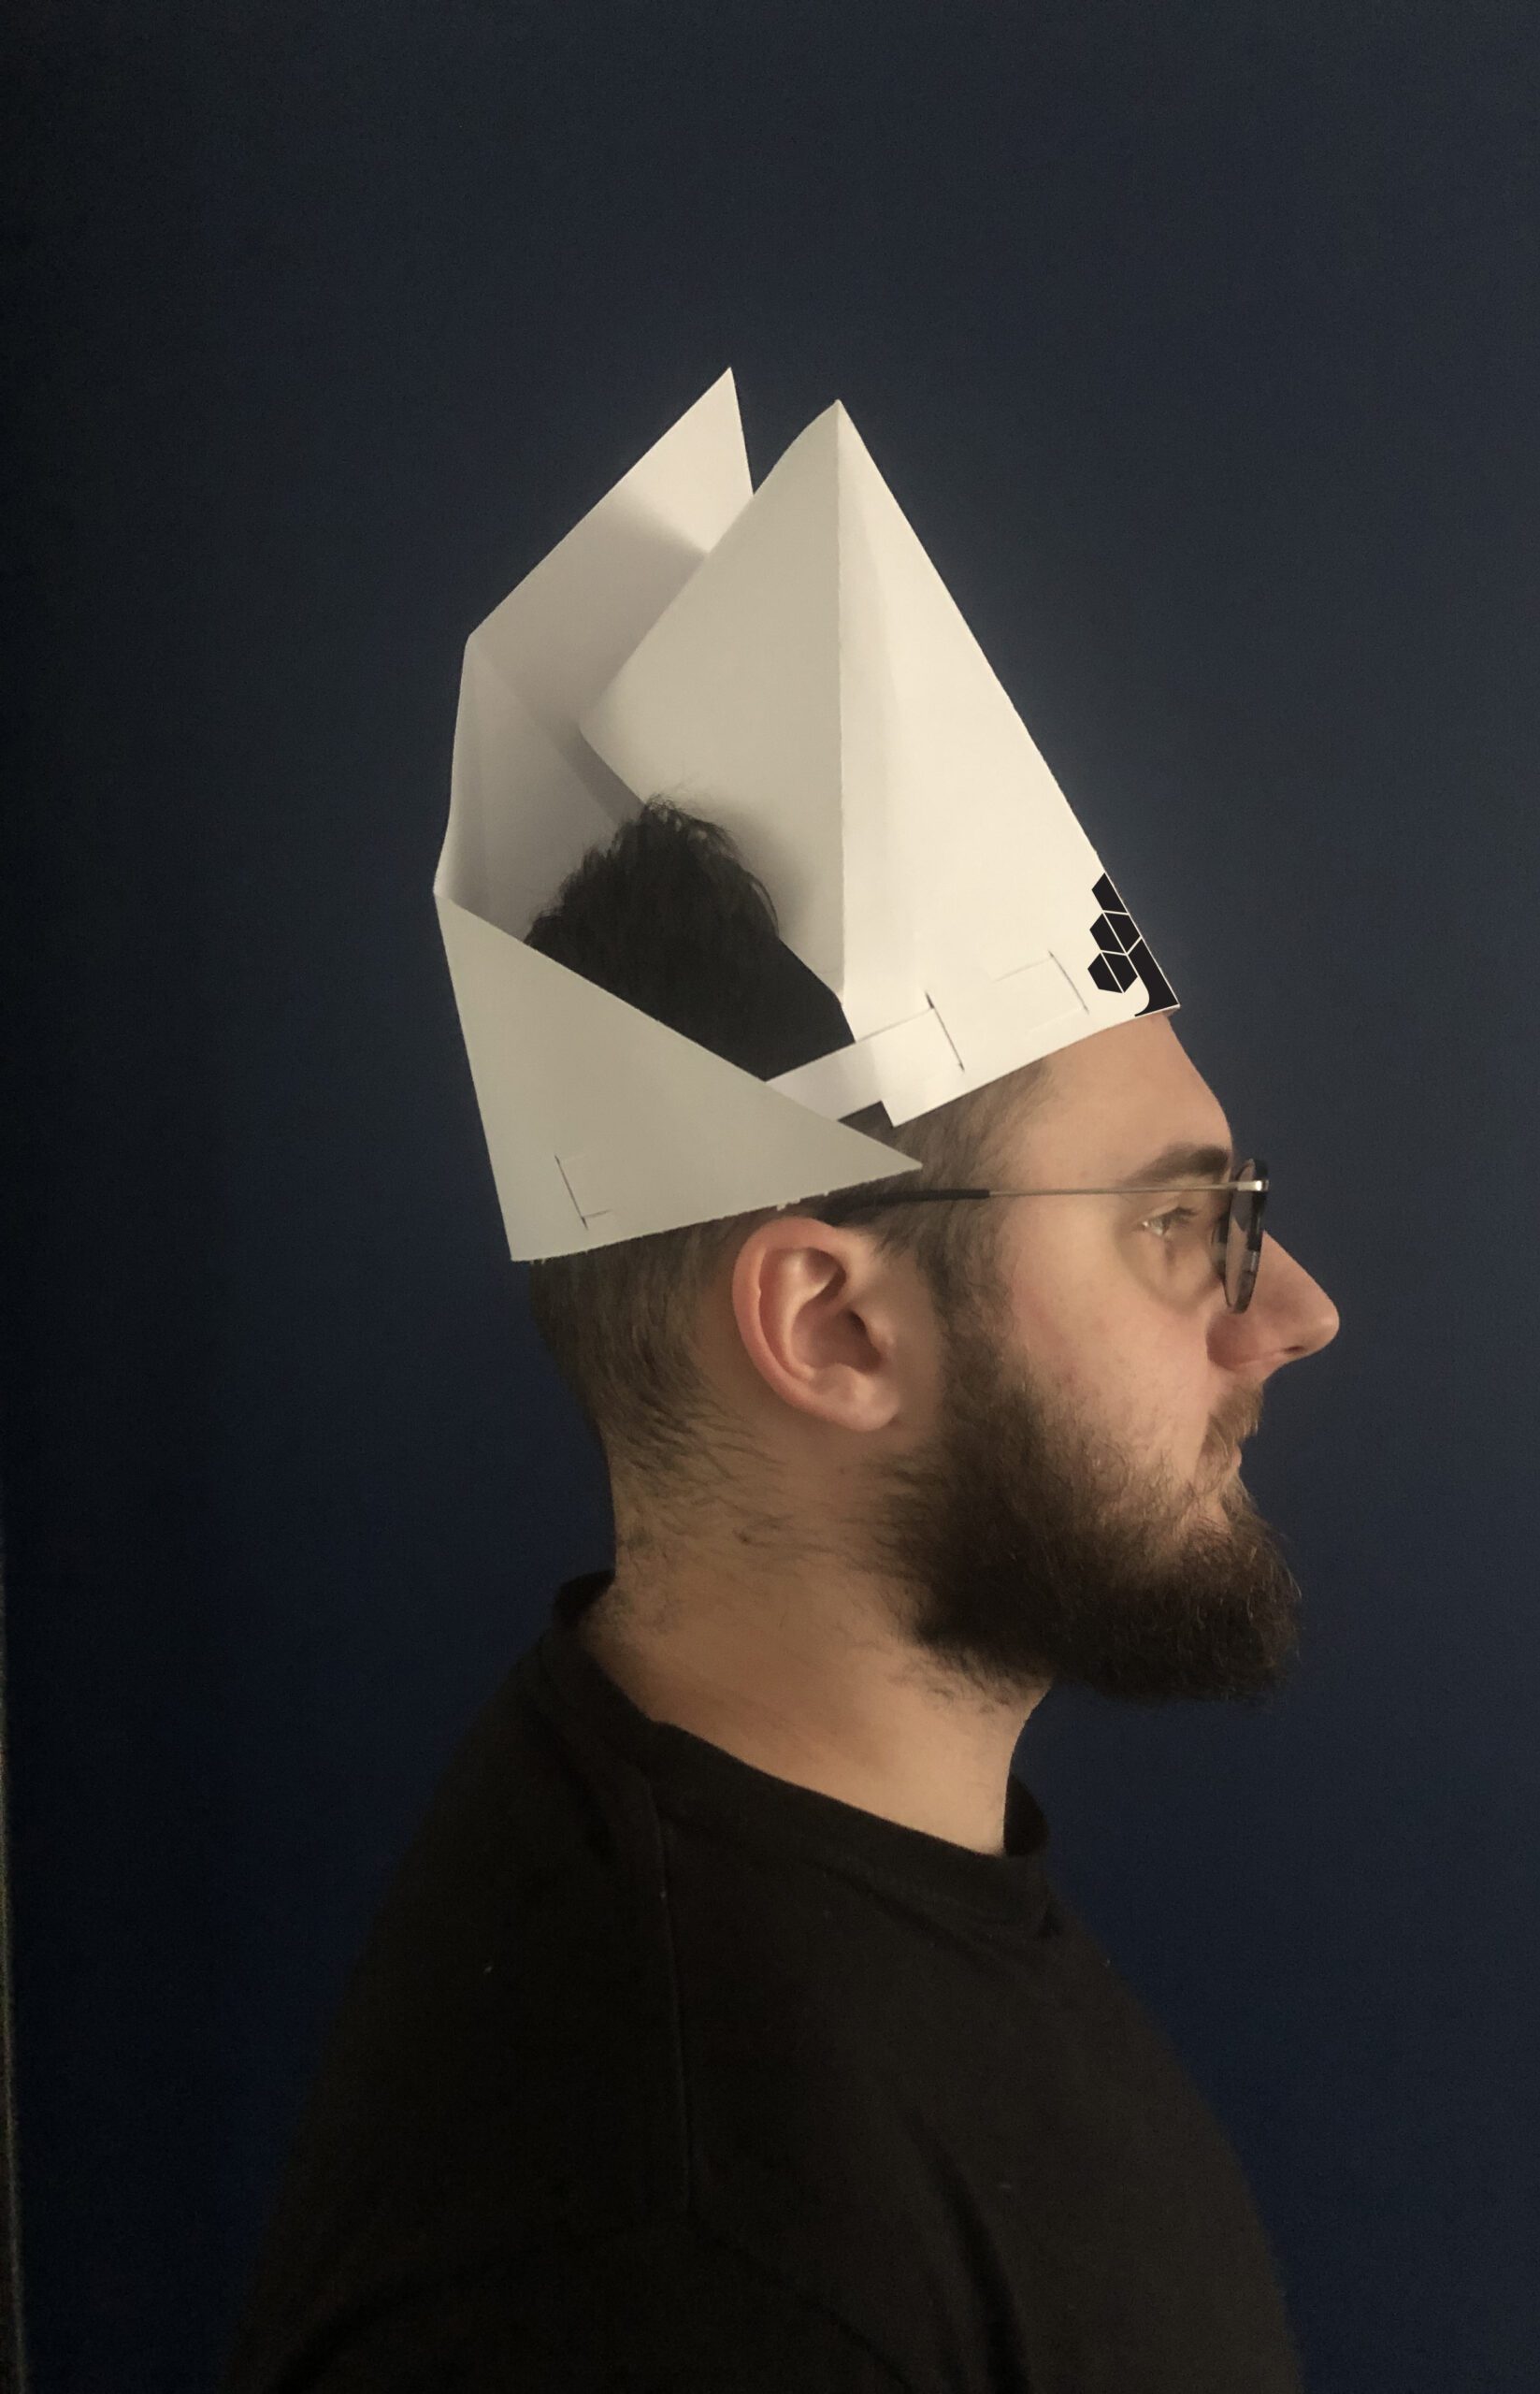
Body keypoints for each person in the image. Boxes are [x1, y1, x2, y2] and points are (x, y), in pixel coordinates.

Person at [223, 382, 1340, 2390]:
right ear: (831, 1325)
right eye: (1185, 1223)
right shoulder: (665, 2251)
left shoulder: (845, 1892)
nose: (1294, 1314)